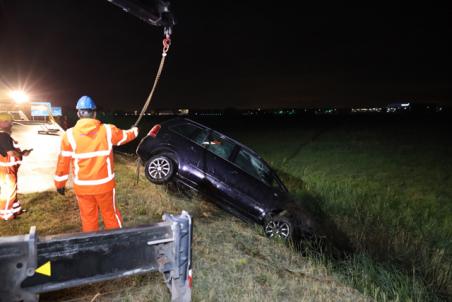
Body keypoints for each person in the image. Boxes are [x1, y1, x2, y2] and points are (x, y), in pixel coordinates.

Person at [54, 96, 138, 232]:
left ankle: (91, 244)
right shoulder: (107, 130)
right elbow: (124, 136)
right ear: (94, 113)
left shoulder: (69, 135)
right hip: (104, 186)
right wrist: (135, 130)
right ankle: (117, 241)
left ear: (78, 113)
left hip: (83, 188)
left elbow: (63, 161)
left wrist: (59, 184)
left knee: (88, 218)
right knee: (111, 215)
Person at [0, 112, 32, 220]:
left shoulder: (4, 135)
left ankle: (15, 210)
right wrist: (23, 154)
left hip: (9, 169)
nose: (11, 124)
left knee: (13, 189)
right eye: (8, 122)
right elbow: (11, 153)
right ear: (2, 122)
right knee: (8, 191)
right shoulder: (3, 136)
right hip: (6, 170)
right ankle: (5, 214)